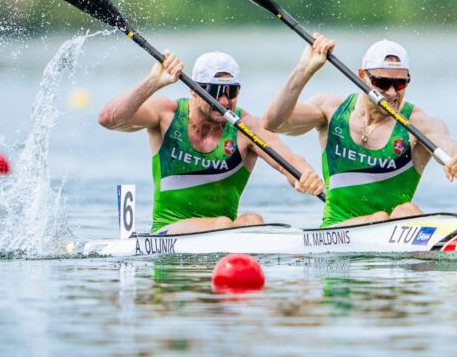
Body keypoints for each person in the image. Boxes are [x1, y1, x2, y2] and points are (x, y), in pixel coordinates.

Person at [98, 50, 324, 234]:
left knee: (253, 221)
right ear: (194, 90)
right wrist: (152, 82)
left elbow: (291, 161)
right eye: (216, 92)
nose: (225, 101)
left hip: (223, 234)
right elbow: (109, 119)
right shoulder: (166, 115)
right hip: (167, 232)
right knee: (223, 224)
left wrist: (304, 177)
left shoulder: (246, 127)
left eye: (232, 91)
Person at [262, 36, 457, 228]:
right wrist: (304, 69)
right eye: (382, 83)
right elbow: (273, 123)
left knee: (405, 210)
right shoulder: (331, 110)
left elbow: (446, 143)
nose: (392, 93)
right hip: (336, 233)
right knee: (382, 217)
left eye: (400, 83)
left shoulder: (418, 122)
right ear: (362, 76)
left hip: (396, 232)